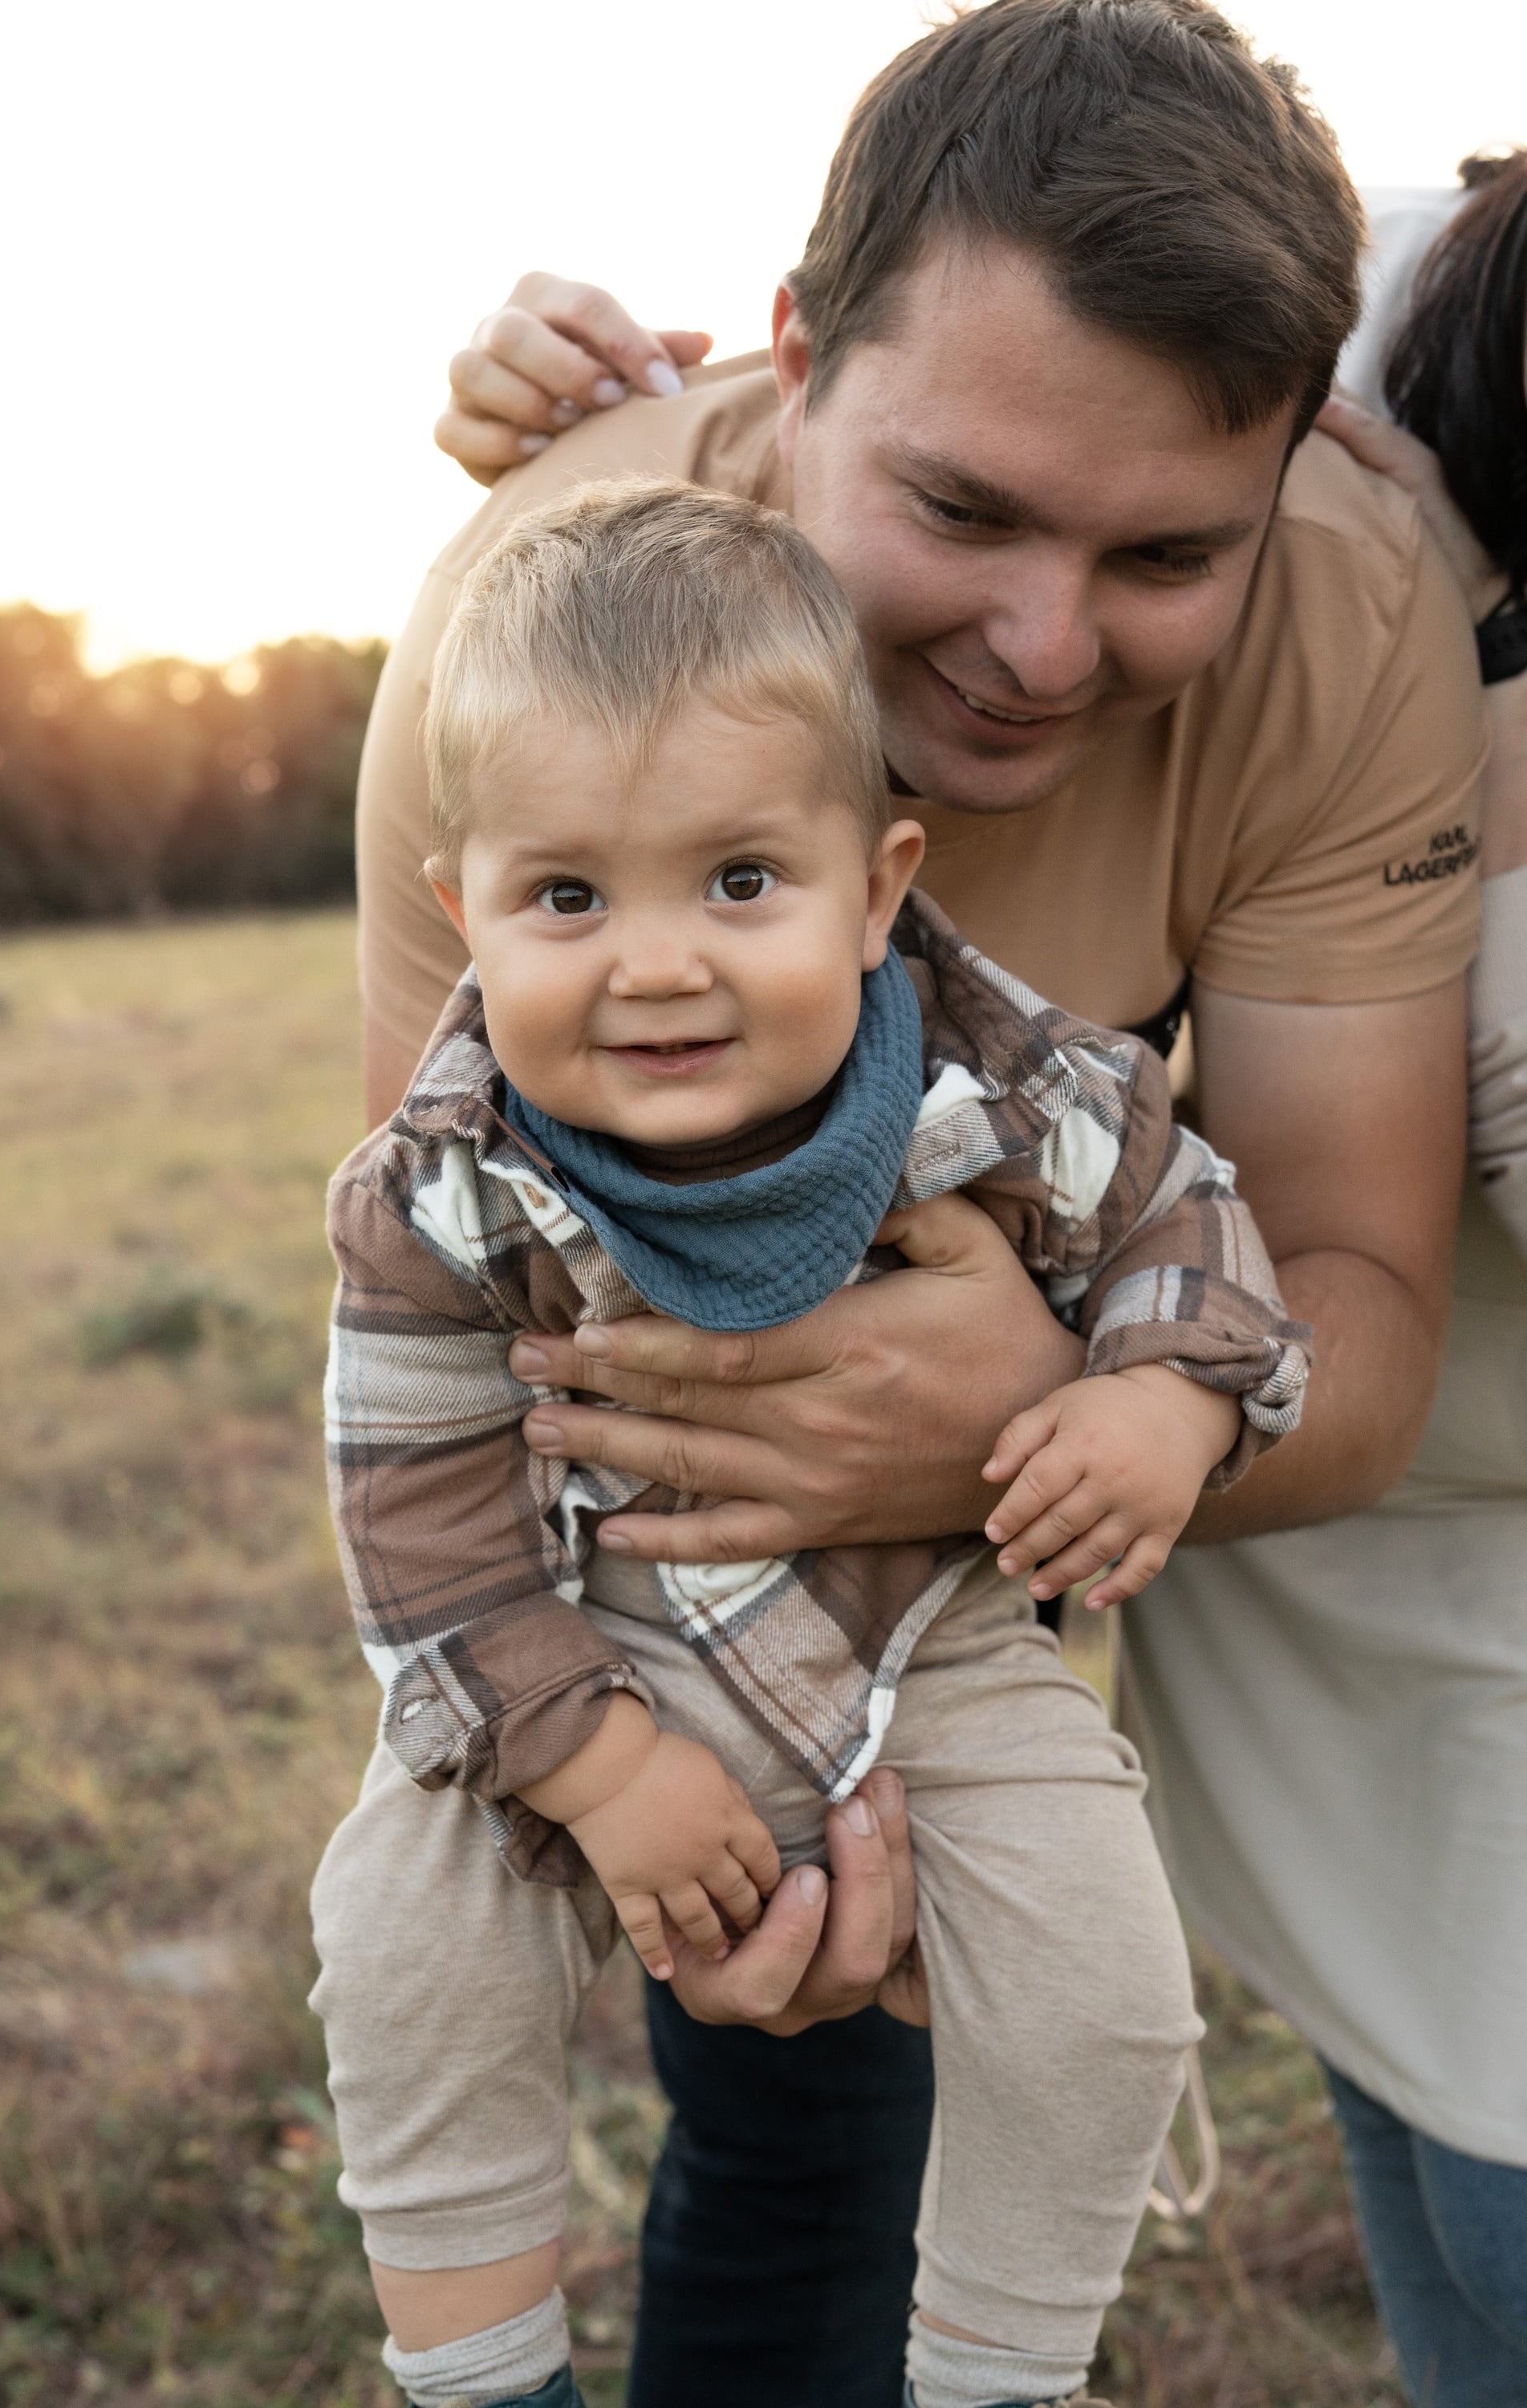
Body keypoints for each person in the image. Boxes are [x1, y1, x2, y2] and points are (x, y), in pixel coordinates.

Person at [347, 6, 1481, 2402]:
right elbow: (455, 1312)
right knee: (774, 2079)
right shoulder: (529, 616)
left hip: (1032, 1422)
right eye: (960, 514)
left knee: (1011, 1958)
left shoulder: (1353, 605)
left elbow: (1354, 1293)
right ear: (790, 357)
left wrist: (1049, 1415)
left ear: (1297, 460)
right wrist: (643, 1756)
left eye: (1168, 551)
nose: (1043, 647)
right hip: (644, 1523)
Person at [315, 475, 1312, 2408]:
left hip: (917, 1642)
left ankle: (999, 2371)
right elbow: (411, 1513)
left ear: (878, 886)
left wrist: (1165, 1396)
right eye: (568, 896)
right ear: (468, 911)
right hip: (573, 1634)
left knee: (1105, 1988)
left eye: (740, 882)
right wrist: (591, 1764)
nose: (657, 961)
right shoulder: (435, 1189)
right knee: (398, 1933)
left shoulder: (1015, 1089)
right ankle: (480, 2373)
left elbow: (1195, 1229)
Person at [1122, 154, 1527, 2408]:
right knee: (1441, 2202)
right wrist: (585, 381)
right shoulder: (1386, 278)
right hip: (1327, 1554)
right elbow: (955, 362)